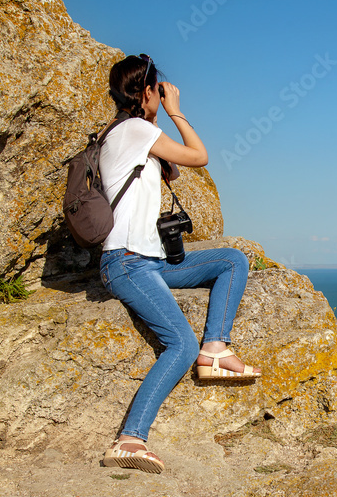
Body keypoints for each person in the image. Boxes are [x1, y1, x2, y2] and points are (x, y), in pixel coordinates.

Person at [99, 54, 261, 474]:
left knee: (231, 260)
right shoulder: (135, 130)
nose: (165, 94)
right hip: (127, 262)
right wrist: (175, 111)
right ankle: (130, 440)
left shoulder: (133, 136)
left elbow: (173, 169)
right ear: (148, 91)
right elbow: (200, 155)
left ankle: (216, 350)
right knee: (179, 343)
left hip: (150, 261)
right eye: (160, 88)